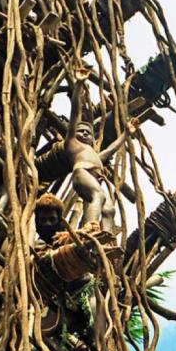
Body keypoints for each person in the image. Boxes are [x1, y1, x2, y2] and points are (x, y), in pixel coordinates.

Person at [66, 67, 136, 233]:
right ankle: (91, 228)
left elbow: (111, 150)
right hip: (81, 172)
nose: (84, 133)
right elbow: (76, 112)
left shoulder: (94, 154)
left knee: (109, 209)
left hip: (94, 177)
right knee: (98, 195)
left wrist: (126, 134)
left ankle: (107, 238)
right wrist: (79, 85)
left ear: (92, 138)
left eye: (88, 132)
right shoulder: (72, 143)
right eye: (80, 130)